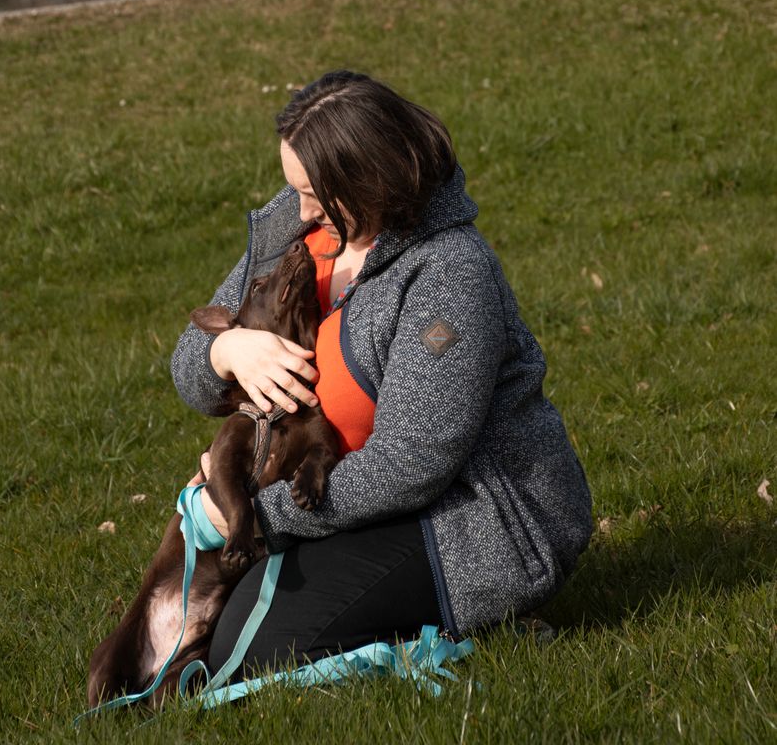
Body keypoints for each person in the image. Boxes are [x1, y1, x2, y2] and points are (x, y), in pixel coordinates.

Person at [171, 70, 592, 677]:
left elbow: (412, 465)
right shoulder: (301, 230)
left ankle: (478, 627)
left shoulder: (448, 272)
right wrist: (229, 350)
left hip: (471, 521)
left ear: (368, 178)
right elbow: (188, 368)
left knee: (254, 648)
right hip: (334, 493)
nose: (301, 208)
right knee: (221, 621)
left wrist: (257, 519)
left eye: (316, 191)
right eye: (294, 187)